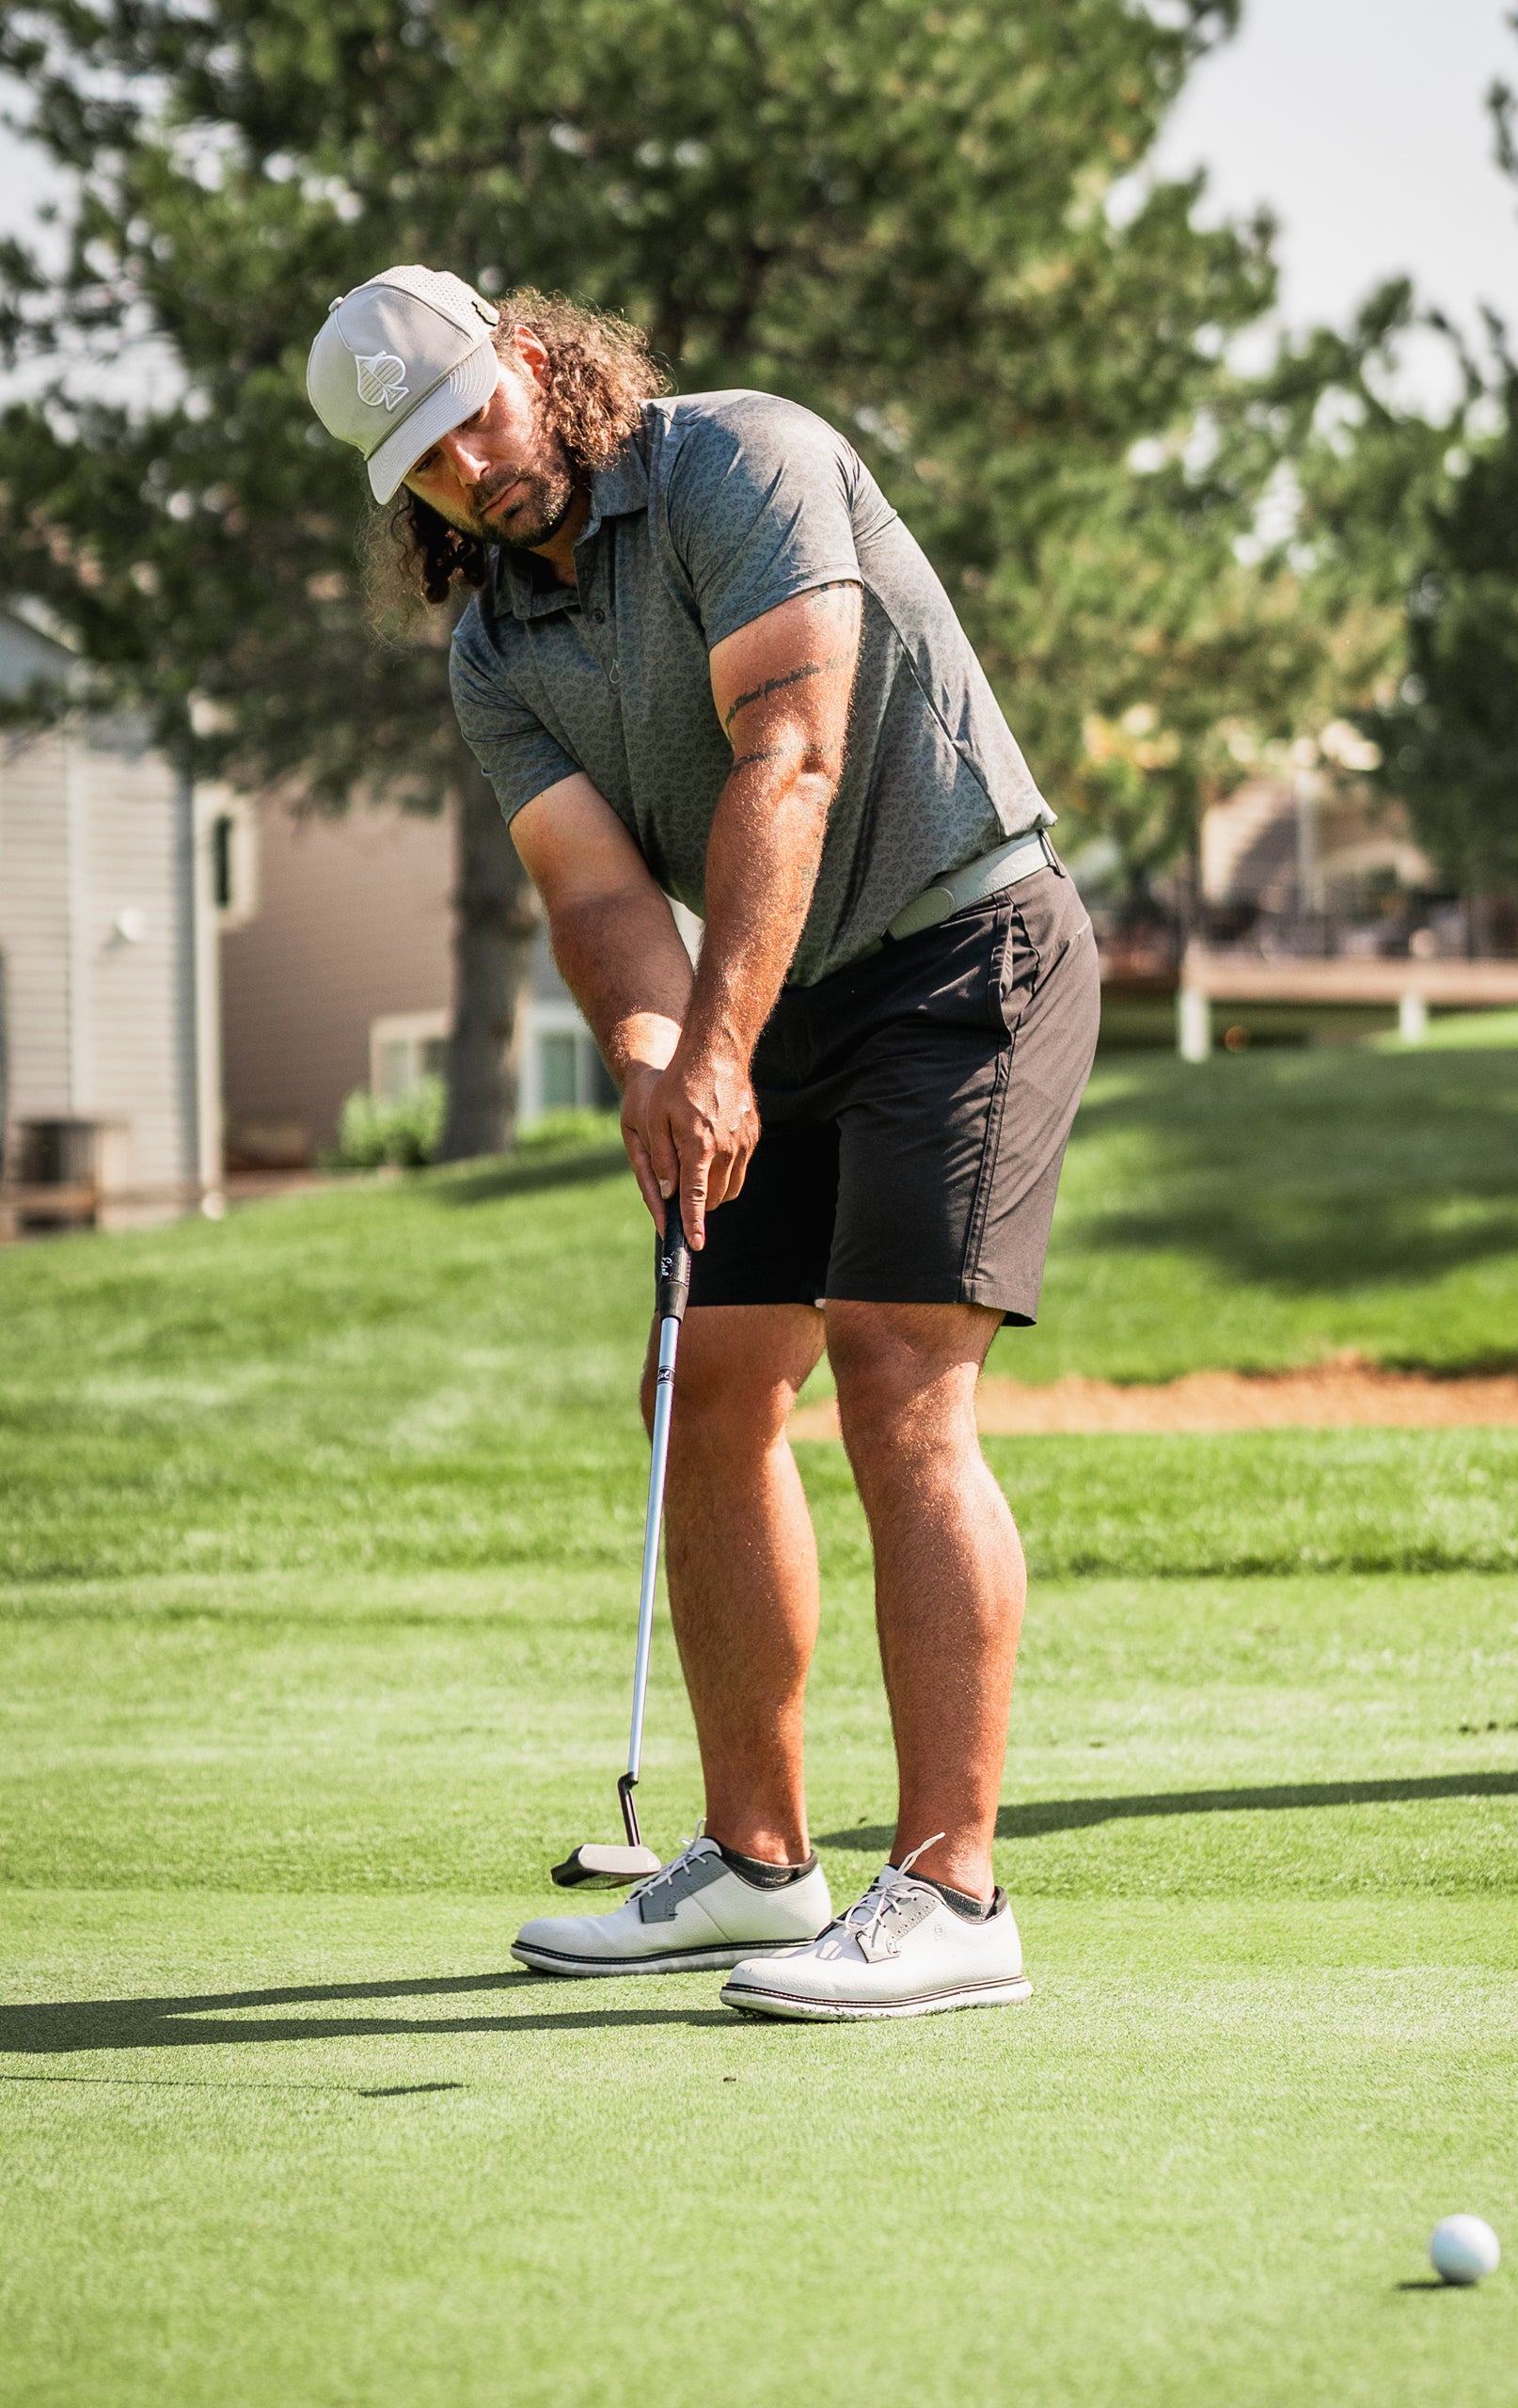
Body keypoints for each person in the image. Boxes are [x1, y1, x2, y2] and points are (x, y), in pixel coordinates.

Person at [307, 266, 1099, 2020]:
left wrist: (719, 1042)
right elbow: (594, 890)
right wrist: (663, 1055)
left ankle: (957, 1891)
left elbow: (789, 764)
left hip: (967, 945)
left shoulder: (747, 462)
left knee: (898, 1373)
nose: (466, 471)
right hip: (780, 989)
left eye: (469, 417)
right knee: (708, 1380)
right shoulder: (497, 648)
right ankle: (757, 1866)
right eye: (421, 466)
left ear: (531, 354)